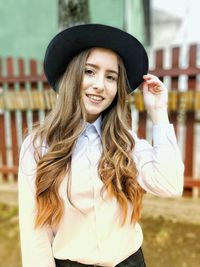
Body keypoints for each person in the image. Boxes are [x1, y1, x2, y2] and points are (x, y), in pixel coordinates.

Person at [18, 24, 184, 267]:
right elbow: (34, 233)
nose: (99, 85)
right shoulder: (39, 145)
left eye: (110, 77)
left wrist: (158, 112)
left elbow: (170, 185)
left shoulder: (125, 141)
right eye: (89, 72)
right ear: (72, 76)